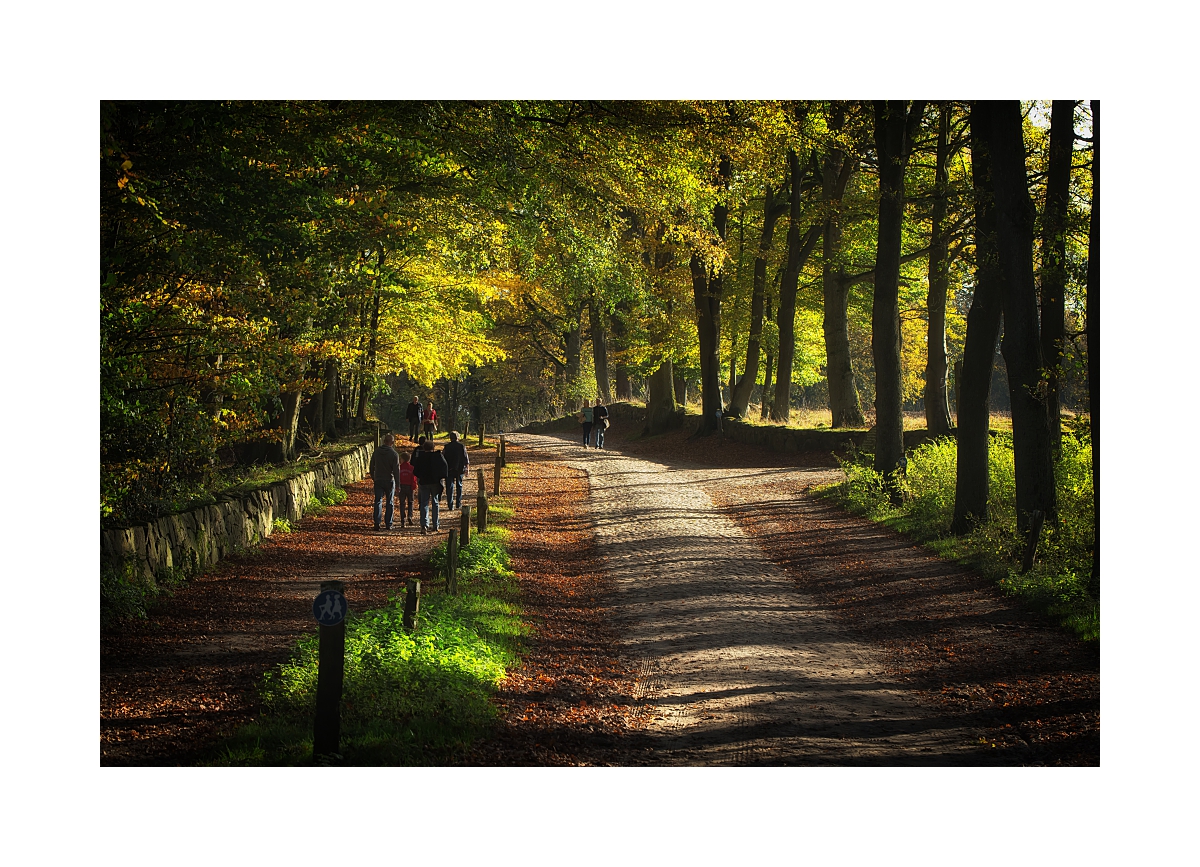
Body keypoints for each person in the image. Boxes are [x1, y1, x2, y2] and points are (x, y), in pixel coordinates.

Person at [412, 438, 448, 535]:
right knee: (435, 502)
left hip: (424, 482)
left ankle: (424, 525)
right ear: (433, 447)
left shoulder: (421, 457)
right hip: (435, 482)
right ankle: (435, 525)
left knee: (424, 503)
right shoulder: (438, 456)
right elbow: (445, 467)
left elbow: (415, 471)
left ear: (424, 448)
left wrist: (420, 476)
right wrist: (441, 477)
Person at [368, 433, 402, 530]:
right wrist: (398, 484)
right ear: (392, 442)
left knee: (378, 501)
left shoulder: (377, 452)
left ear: (384, 441)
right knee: (389, 502)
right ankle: (388, 523)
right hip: (389, 480)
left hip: (378, 479)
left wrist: (373, 477)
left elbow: (371, 466)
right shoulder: (394, 454)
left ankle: (377, 522)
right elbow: (396, 470)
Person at [441, 431, 470, 510]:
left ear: (450, 438)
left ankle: (450, 505)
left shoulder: (446, 447)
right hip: (459, 469)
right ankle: (458, 503)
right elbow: (465, 457)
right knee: (459, 485)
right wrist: (467, 468)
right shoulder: (461, 446)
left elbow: (442, 458)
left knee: (449, 487)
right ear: (458, 437)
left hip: (449, 469)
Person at [396, 452, 416, 528]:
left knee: (402, 503)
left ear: (403, 459)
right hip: (409, 487)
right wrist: (413, 486)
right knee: (410, 502)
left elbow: (398, 477)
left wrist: (397, 486)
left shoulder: (399, 468)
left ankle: (402, 520)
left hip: (402, 486)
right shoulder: (411, 468)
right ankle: (410, 516)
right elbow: (413, 478)